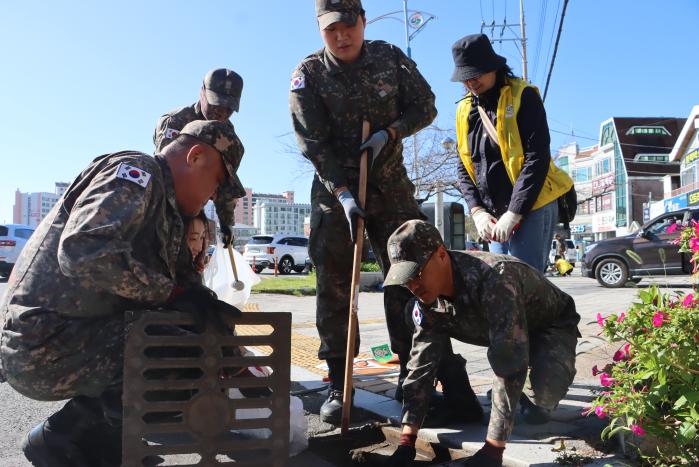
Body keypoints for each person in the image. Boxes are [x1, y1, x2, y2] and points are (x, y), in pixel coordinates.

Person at [0, 120, 245, 467]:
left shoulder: (169, 213)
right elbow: (83, 251)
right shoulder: (137, 171)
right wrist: (173, 295)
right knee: (175, 348)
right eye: (218, 183)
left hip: (79, 336)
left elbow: (188, 292)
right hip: (43, 343)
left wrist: (225, 340)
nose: (215, 196)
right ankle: (60, 438)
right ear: (196, 157)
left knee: (196, 343)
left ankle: (104, 442)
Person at [289, 0, 438, 424]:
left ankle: (415, 375)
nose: (341, 35)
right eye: (331, 28)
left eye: (348, 25)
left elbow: (425, 105)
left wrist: (391, 132)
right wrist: (343, 194)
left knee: (409, 277)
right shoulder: (309, 76)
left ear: (363, 21)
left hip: (390, 187)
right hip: (334, 194)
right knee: (335, 285)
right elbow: (312, 142)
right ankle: (339, 381)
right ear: (321, 30)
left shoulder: (389, 58)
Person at [384, 220, 581, 467]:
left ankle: (526, 391)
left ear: (441, 254)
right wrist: (407, 441)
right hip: (491, 325)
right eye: (406, 279)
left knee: (542, 399)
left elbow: (507, 359)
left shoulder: (496, 278)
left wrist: (492, 450)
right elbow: (420, 366)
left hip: (547, 325)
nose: (413, 286)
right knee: (416, 320)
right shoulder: (427, 297)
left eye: (418, 274)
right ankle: (462, 399)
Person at [452, 33, 573, 272]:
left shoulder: (523, 96)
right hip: (494, 213)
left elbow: (536, 159)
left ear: (493, 67)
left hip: (533, 203)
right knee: (501, 279)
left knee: (526, 281)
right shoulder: (465, 108)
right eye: (465, 78)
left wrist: (515, 212)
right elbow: (463, 165)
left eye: (475, 74)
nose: (470, 82)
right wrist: (477, 211)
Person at [154, 68, 245, 249]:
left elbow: (224, 181)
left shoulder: (226, 134)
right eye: (216, 104)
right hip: (165, 207)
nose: (221, 113)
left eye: (228, 108)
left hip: (195, 210)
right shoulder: (175, 121)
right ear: (202, 93)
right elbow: (166, 174)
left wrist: (226, 223)